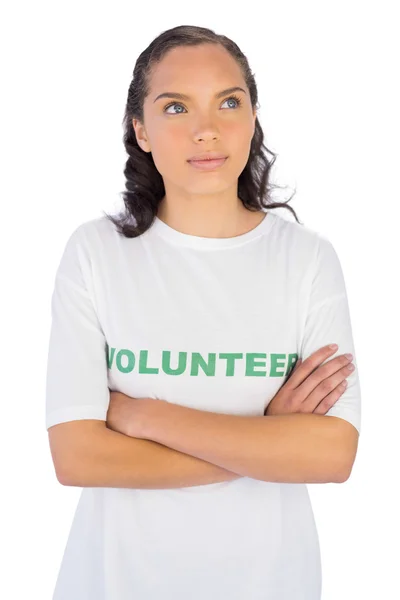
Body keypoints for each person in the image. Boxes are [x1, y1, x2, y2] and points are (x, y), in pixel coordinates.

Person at [45, 25, 361, 600]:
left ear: (253, 118)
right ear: (139, 130)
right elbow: (78, 456)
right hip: (114, 585)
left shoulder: (307, 260)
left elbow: (331, 453)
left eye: (229, 102)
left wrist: (142, 417)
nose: (206, 129)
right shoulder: (96, 254)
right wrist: (267, 440)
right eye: (175, 107)